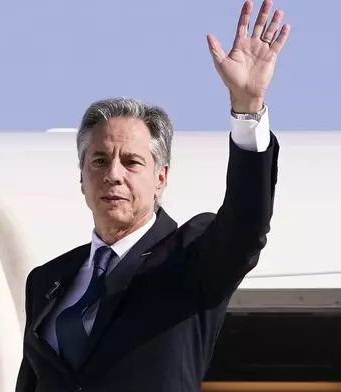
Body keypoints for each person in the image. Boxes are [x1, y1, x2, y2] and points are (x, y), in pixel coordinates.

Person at [15, 1, 290, 391]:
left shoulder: (189, 257)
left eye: (131, 162)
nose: (113, 174)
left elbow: (246, 226)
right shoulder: (46, 280)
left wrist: (247, 109)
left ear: (160, 178)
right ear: (81, 176)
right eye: (98, 160)